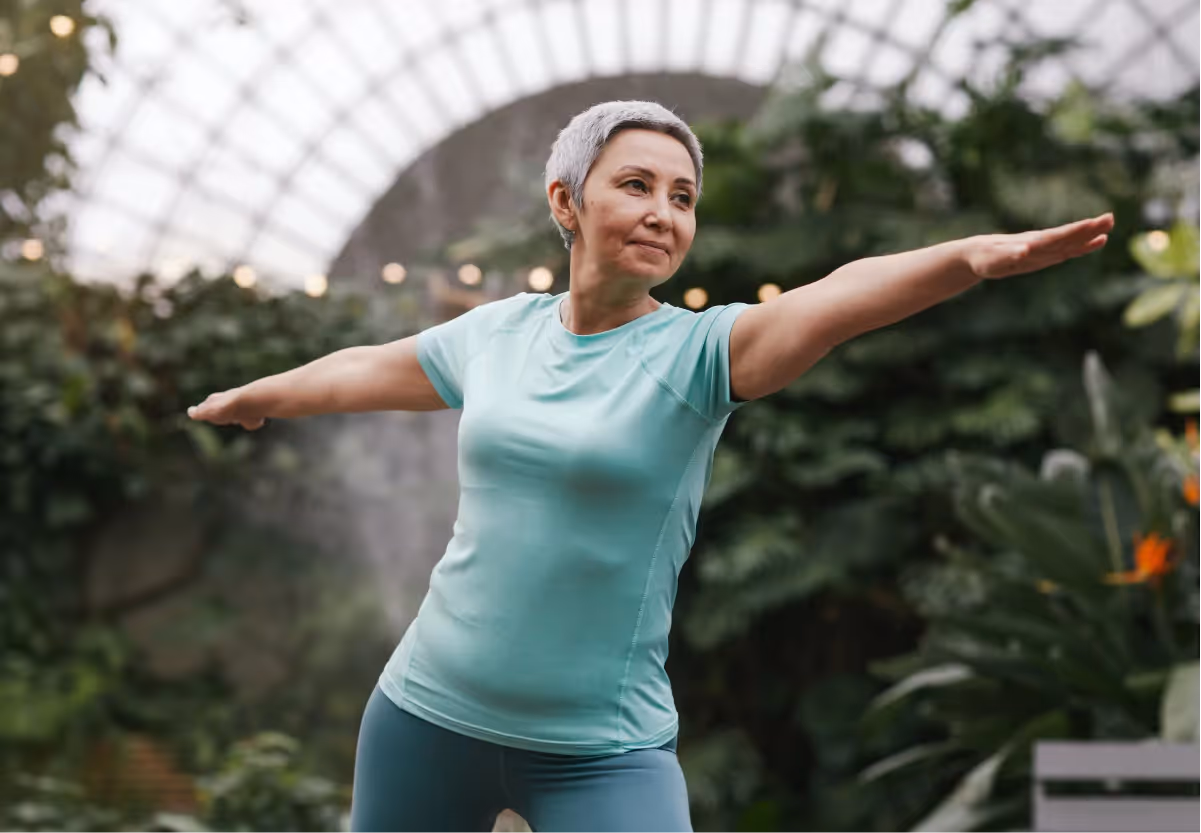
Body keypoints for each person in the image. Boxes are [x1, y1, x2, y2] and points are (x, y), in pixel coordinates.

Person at [187, 100, 1114, 833]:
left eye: (681, 197)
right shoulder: (496, 334)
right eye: (635, 185)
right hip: (425, 715)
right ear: (566, 203)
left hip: (601, 750)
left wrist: (966, 258)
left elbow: (836, 296)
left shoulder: (701, 355)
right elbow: (364, 369)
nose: (663, 213)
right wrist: (259, 393)